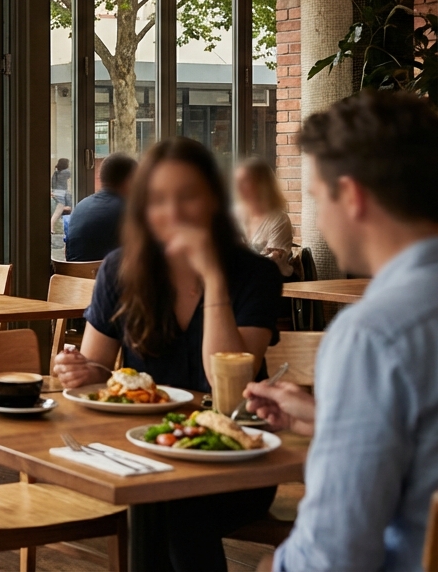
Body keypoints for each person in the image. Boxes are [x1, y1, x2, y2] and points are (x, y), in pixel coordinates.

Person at [52, 137, 282, 572]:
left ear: (213, 200)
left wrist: (212, 276)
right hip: (143, 450)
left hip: (231, 458)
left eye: (187, 196)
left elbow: (226, 383)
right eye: (158, 199)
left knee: (171, 503)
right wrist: (82, 371)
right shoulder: (120, 268)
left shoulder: (255, 275)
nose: (172, 212)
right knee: (162, 499)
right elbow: (99, 369)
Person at [245, 92, 438, 572]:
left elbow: (334, 556)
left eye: (315, 196)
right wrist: (333, 417)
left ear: (351, 196)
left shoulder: (373, 336)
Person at [64, 152, 137, 262]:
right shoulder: (128, 210)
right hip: (103, 277)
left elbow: (68, 250)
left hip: (73, 277)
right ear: (130, 180)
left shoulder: (81, 206)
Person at [234, 157, 294, 276]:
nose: (238, 187)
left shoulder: (279, 219)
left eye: (245, 181)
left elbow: (272, 263)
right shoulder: (234, 215)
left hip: (273, 285)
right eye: (237, 181)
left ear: (262, 184)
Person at [50, 157, 72, 233]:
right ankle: (51, 226)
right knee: (57, 212)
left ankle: (52, 226)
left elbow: (52, 183)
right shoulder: (66, 172)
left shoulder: (56, 173)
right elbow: (71, 175)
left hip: (55, 193)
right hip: (61, 194)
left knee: (57, 211)